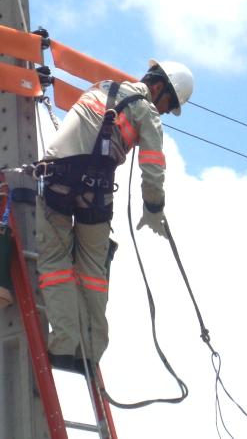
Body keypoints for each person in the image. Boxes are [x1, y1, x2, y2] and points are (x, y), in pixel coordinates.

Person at [35, 59, 194, 373]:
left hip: (57, 179)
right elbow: (153, 166)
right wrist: (153, 208)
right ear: (158, 87)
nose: (164, 112)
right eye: (169, 104)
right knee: (93, 273)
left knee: (54, 262)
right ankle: (89, 351)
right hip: (96, 192)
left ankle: (64, 345)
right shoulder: (146, 112)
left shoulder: (100, 89)